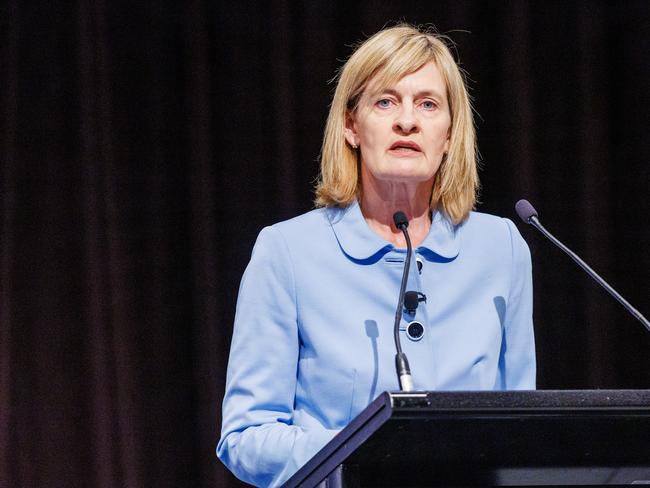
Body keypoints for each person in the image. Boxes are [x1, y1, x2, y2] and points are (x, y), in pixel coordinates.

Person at [217, 23, 536, 487]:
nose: (407, 120)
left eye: (428, 104)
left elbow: (523, 425)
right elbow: (245, 437)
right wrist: (361, 449)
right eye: (385, 102)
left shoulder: (501, 249)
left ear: (449, 134)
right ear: (351, 125)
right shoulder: (287, 253)